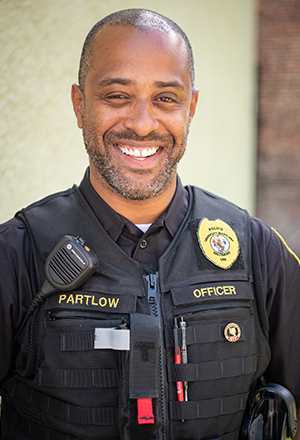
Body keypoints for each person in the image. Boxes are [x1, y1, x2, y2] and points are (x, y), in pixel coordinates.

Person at [0, 8, 300, 440]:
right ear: (79, 105)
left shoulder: (258, 253)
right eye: (117, 96)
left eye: (165, 98)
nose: (142, 124)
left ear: (190, 108)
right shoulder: (16, 255)